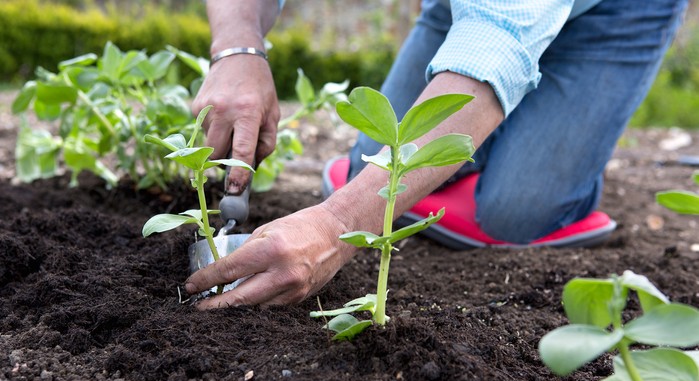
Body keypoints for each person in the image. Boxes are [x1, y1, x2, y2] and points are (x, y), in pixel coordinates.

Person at [184, 0, 689, 309]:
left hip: (616, 12)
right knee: (371, 170)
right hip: (468, 6)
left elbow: (499, 42)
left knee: (516, 213)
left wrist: (336, 223)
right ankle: (487, 142)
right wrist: (238, 50)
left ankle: (553, 146)